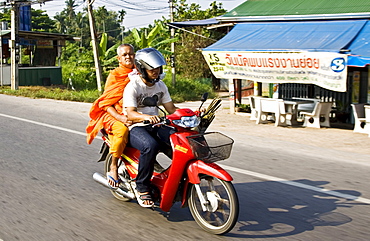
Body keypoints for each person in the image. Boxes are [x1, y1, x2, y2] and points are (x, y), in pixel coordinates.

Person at [123, 48, 178, 207]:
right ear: (141, 68)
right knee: (150, 146)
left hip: (156, 124)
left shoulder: (161, 86)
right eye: (151, 68)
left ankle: (173, 180)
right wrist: (146, 117)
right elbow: (131, 114)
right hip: (136, 127)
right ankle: (141, 186)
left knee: (178, 141)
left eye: (158, 68)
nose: (156, 71)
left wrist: (193, 113)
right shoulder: (133, 87)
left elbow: (171, 109)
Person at [86, 44, 135, 188]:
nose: (128, 57)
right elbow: (106, 103)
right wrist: (120, 118)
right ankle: (113, 166)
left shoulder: (139, 72)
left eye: (130, 54)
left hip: (133, 112)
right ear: (118, 58)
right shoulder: (115, 75)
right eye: (124, 55)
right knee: (122, 131)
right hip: (113, 114)